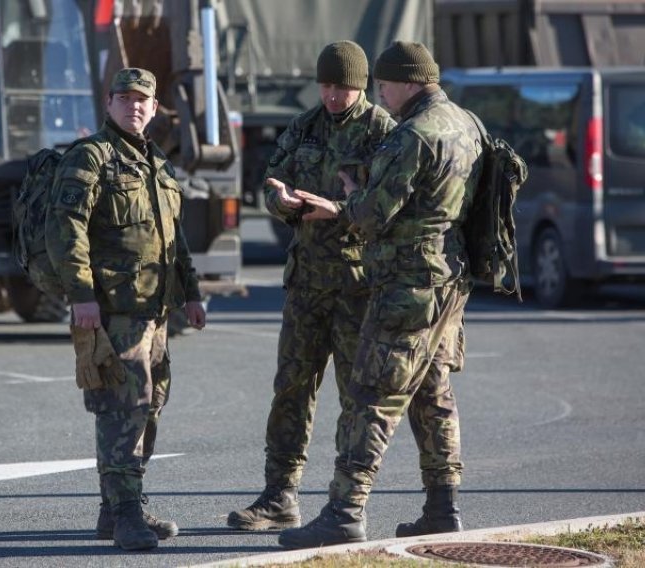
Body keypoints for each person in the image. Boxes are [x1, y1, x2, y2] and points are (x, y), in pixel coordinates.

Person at [277, 41, 483, 549]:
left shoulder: (412, 135)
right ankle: (443, 507)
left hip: (407, 284)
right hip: (450, 278)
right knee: (433, 395)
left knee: (371, 395)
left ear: (409, 82)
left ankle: (344, 512)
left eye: (385, 86)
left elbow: (370, 217)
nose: (381, 95)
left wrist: (348, 196)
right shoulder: (467, 124)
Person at [227, 41, 395, 531]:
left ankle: (345, 502)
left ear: (359, 86)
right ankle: (280, 494)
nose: (332, 96)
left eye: (341, 87)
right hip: (306, 285)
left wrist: (339, 209)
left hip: (356, 287)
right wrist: (281, 201)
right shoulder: (304, 126)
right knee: (291, 390)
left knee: (356, 397)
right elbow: (270, 181)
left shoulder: (382, 132)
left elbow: (390, 205)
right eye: (325, 86)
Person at [46, 67, 206, 551]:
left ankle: (113, 511)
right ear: (108, 103)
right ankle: (127, 514)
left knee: (149, 408)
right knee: (122, 410)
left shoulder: (158, 164)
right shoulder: (91, 157)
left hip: (155, 311)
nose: (134, 106)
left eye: (143, 100)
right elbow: (65, 229)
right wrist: (81, 297)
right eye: (125, 98)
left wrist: (192, 293)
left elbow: (174, 242)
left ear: (156, 109)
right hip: (114, 309)